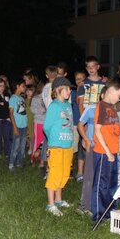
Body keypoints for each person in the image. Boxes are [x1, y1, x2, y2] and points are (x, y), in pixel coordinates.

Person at [91, 77, 120, 222]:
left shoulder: (112, 107)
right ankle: (98, 214)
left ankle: (110, 210)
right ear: (111, 91)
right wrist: (107, 151)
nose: (119, 99)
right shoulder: (102, 106)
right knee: (101, 184)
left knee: (112, 183)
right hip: (103, 153)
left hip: (113, 152)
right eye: (119, 96)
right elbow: (97, 131)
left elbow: (112, 130)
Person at [43, 77, 75, 216]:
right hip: (56, 146)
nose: (69, 92)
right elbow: (47, 127)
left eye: (70, 89)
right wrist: (54, 139)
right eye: (67, 89)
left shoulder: (68, 105)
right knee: (54, 173)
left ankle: (58, 199)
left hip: (67, 145)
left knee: (64, 173)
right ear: (57, 90)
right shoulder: (54, 106)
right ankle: (50, 204)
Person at [8, 79, 28, 170]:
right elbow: (11, 113)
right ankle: (11, 164)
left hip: (24, 126)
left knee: (22, 146)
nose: (25, 87)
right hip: (17, 126)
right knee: (15, 146)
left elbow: (24, 114)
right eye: (23, 86)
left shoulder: (21, 99)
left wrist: (27, 126)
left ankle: (19, 163)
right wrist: (15, 127)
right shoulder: (13, 98)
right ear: (17, 86)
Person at [73, 70, 87, 182]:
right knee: (76, 147)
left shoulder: (88, 89)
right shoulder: (76, 91)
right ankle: (77, 171)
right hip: (77, 123)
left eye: (82, 79)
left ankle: (85, 171)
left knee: (85, 146)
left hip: (87, 123)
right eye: (77, 79)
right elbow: (78, 102)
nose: (80, 81)